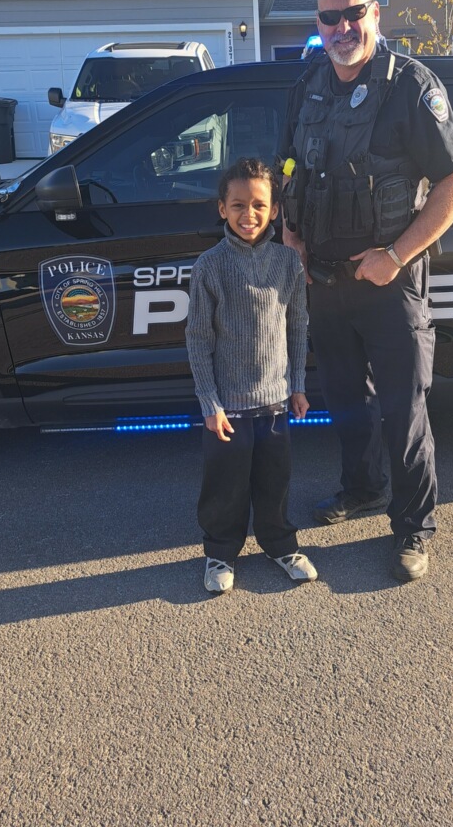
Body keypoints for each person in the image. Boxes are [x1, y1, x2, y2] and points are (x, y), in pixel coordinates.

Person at [281, 0, 453, 582]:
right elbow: (289, 169)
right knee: (345, 399)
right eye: (329, 18)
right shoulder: (308, 85)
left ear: (376, 13)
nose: (342, 28)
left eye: (353, 14)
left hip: (388, 282)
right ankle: (362, 488)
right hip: (326, 281)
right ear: (317, 23)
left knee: (403, 406)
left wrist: (394, 257)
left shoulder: (411, 87)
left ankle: (414, 526)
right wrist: (292, 239)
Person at [186, 157, 318, 594]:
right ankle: (220, 552)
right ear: (222, 208)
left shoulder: (288, 263)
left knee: (274, 479)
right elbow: (198, 338)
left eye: (260, 205)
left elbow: (296, 325)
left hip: (276, 400)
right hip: (228, 407)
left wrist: (297, 384)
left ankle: (279, 543)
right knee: (225, 485)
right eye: (238, 205)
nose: (250, 215)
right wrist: (210, 403)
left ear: (275, 210)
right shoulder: (210, 265)